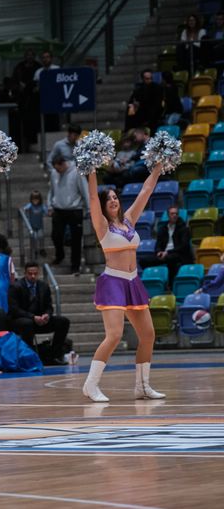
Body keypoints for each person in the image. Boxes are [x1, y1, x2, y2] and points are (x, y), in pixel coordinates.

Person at [83, 161, 165, 402]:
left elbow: (145, 191)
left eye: (115, 197)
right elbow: (92, 198)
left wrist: (158, 168)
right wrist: (92, 170)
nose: (113, 200)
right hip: (113, 282)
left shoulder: (129, 220)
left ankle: (142, 386)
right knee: (115, 335)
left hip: (133, 281)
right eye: (108, 198)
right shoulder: (102, 227)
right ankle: (91, 384)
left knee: (148, 334)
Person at [8, 263, 69, 365]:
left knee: (63, 322)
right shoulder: (15, 287)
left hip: (39, 320)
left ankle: (53, 356)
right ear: (25, 273)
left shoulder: (44, 286)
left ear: (38, 273)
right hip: (19, 320)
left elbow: (49, 306)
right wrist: (33, 317)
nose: (33, 276)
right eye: (30, 273)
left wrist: (47, 315)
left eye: (35, 274)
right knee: (27, 323)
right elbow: (15, 310)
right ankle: (29, 357)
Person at [48, 154, 90, 275]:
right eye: (55, 169)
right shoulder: (54, 173)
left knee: (76, 240)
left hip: (74, 209)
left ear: (63, 164)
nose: (57, 171)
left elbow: (85, 190)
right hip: (59, 209)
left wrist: (89, 209)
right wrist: (50, 205)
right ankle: (59, 255)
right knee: (56, 235)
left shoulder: (76, 172)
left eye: (58, 168)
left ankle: (75, 266)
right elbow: (52, 190)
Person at [138, 205, 193, 286]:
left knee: (172, 260)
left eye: (176, 214)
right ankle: (153, 283)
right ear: (168, 215)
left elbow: (183, 246)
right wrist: (159, 252)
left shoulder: (184, 229)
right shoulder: (163, 228)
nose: (174, 215)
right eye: (172, 214)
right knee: (143, 261)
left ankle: (169, 286)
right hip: (164, 255)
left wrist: (167, 252)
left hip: (179, 254)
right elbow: (158, 245)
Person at [125, 69, 165, 134]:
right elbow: (133, 100)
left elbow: (158, 104)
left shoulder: (157, 88)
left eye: (150, 78)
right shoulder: (139, 89)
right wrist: (132, 105)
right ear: (143, 79)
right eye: (147, 78)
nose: (149, 80)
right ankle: (130, 132)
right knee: (131, 110)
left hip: (154, 112)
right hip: (141, 111)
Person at [23, 190, 48, 257]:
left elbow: (46, 211)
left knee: (41, 236)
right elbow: (25, 209)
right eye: (34, 199)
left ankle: (42, 249)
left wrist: (48, 212)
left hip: (40, 226)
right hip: (32, 226)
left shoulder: (42, 206)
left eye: (37, 199)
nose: (35, 201)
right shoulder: (30, 206)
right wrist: (26, 210)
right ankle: (35, 250)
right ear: (31, 199)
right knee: (34, 238)